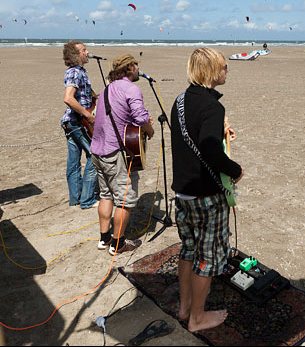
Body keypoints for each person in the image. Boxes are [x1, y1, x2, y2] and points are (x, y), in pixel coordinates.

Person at [170, 48, 243, 333]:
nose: (228, 71)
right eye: (225, 67)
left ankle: (185, 307)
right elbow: (210, 150)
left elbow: (198, 138)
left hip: (183, 192)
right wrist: (235, 170)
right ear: (212, 71)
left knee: (188, 250)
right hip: (205, 195)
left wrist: (222, 134)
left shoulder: (180, 100)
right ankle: (197, 318)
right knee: (208, 257)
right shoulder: (213, 107)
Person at [90, 54, 155, 255]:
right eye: (136, 65)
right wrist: (149, 130)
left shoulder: (107, 88)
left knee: (106, 195)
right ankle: (118, 244)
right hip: (115, 153)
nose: (138, 68)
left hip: (98, 150)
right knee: (124, 200)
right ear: (131, 67)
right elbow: (139, 116)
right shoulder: (131, 89)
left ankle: (104, 238)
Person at [61, 41, 97, 210]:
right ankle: (87, 199)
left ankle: (75, 198)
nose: (87, 52)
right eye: (84, 50)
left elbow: (85, 94)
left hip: (72, 122)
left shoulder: (80, 72)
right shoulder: (74, 72)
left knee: (74, 161)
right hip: (76, 122)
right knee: (94, 156)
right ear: (76, 55)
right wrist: (87, 114)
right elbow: (68, 98)